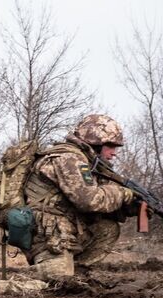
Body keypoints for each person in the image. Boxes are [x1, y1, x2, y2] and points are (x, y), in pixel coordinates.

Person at [25, 114, 141, 280]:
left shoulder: (87, 161)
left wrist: (130, 206)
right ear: (96, 142)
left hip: (65, 226)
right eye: (111, 146)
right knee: (55, 285)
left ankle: (76, 275)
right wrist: (124, 194)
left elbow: (102, 200)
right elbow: (90, 201)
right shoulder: (69, 158)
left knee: (107, 228)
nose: (114, 153)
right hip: (48, 231)